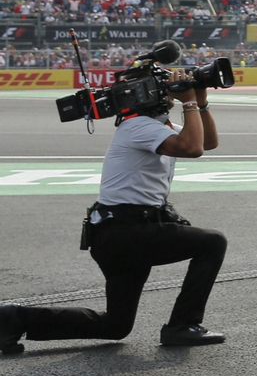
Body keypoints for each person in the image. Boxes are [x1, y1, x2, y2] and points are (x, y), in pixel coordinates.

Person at [1, 66, 226, 354]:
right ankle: (182, 326)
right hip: (127, 232)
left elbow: (207, 142)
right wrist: (189, 101)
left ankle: (13, 318)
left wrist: (201, 98)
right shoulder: (138, 127)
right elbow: (192, 148)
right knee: (212, 242)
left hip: (119, 234)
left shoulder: (155, 127)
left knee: (116, 326)